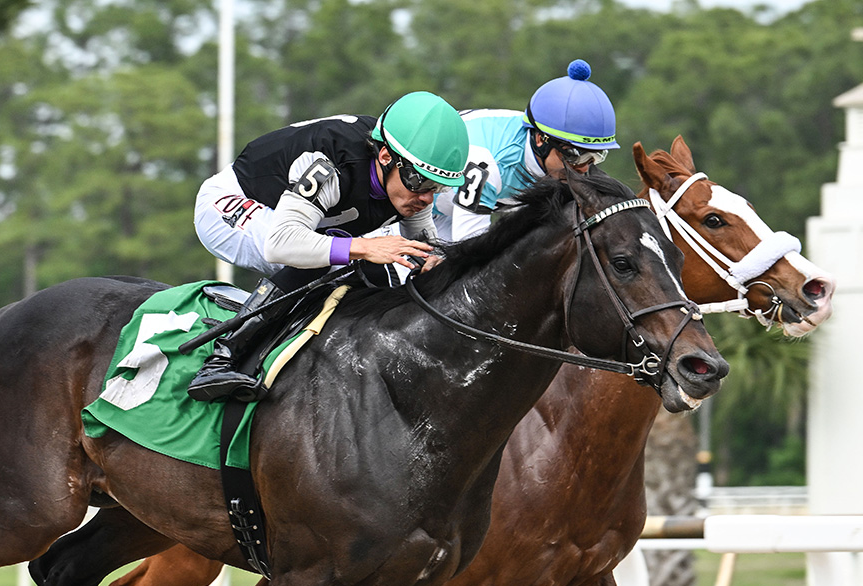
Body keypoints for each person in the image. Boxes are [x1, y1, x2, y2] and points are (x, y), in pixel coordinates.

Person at [187, 91, 468, 402]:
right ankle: (222, 358)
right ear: (386, 157)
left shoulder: (407, 175)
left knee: (387, 267)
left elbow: (423, 248)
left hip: (301, 218)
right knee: (324, 258)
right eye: (420, 183)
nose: (427, 198)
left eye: (436, 187)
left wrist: (437, 264)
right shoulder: (329, 165)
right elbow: (281, 244)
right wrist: (362, 247)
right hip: (230, 204)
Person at [433, 59, 619, 243]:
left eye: (595, 157)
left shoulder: (548, 155)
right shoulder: (490, 164)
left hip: (454, 211)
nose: (583, 169)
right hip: (418, 210)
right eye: (575, 156)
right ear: (540, 140)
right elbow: (467, 248)